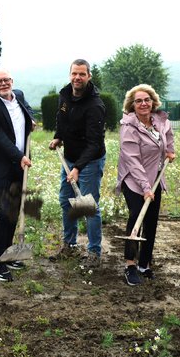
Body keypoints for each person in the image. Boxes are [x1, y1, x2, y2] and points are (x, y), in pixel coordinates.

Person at [115, 84, 175, 286]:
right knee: (137, 218)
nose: (143, 103)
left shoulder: (160, 121)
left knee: (151, 221)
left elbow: (168, 136)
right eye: (138, 101)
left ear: (153, 102)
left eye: (146, 100)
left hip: (155, 176)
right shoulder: (128, 128)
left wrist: (170, 151)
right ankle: (130, 265)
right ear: (132, 105)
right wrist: (145, 187)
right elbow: (132, 160)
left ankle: (144, 264)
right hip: (133, 179)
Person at [0, 67, 35, 282]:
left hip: (20, 166)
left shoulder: (18, 95)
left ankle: (9, 253)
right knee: (3, 212)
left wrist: (31, 120)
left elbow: (28, 110)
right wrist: (19, 156)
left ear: (12, 81)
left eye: (6, 80)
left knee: (14, 209)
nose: (3, 84)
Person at [49, 59, 106, 268]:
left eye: (82, 74)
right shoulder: (65, 95)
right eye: (74, 73)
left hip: (90, 160)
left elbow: (94, 144)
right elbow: (61, 119)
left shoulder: (95, 106)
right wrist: (58, 137)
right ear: (70, 75)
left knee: (87, 206)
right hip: (70, 157)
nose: (77, 78)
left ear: (89, 76)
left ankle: (94, 253)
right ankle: (70, 246)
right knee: (66, 201)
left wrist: (77, 168)